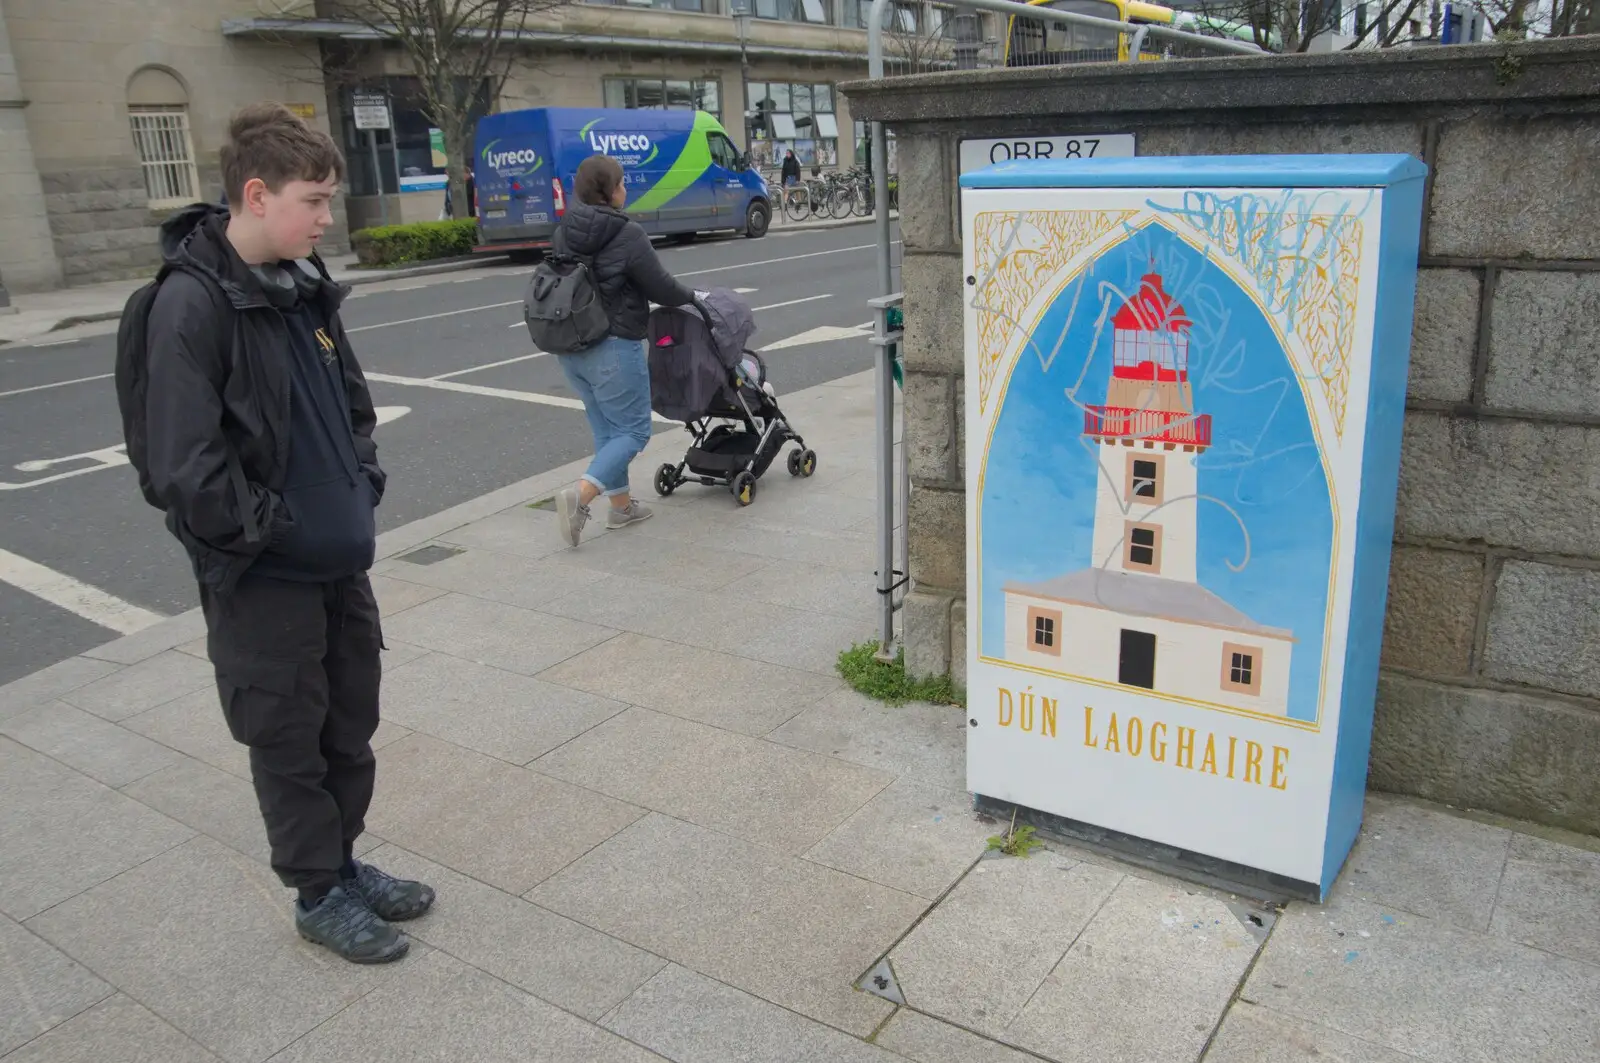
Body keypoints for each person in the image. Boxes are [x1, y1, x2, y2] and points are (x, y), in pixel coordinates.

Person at [139, 103, 433, 964]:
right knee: (286, 734)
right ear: (258, 195)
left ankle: (342, 863)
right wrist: (279, 530)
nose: (327, 217)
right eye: (315, 199)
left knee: (349, 723)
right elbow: (185, 466)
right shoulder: (190, 306)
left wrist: (360, 482)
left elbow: (353, 409)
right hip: (263, 574)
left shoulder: (305, 286)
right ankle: (315, 892)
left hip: (338, 562)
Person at [550, 154, 697, 546]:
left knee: (607, 431)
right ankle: (580, 496)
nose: (625, 188)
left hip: (572, 345)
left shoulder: (565, 228)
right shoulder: (627, 233)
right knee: (633, 429)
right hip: (614, 344)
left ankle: (621, 507)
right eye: (621, 182)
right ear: (610, 190)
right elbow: (660, 287)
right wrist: (693, 297)